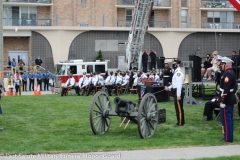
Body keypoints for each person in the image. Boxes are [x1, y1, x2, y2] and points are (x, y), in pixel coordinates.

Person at [219, 57, 237, 142]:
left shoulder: (228, 75)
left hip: (227, 99)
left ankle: (227, 138)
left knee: (227, 119)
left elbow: (226, 90)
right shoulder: (231, 73)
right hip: (230, 98)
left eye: (223, 64)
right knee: (229, 119)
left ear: (226, 65)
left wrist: (223, 101)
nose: (222, 65)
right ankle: (228, 137)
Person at [165, 60, 185, 127]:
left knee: (178, 108)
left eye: (175, 64)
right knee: (178, 107)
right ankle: (181, 121)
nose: (173, 66)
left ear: (178, 64)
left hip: (177, 91)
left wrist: (178, 95)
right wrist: (169, 87)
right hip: (176, 90)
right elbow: (175, 83)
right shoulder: (176, 72)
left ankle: (180, 122)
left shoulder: (178, 73)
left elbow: (179, 84)